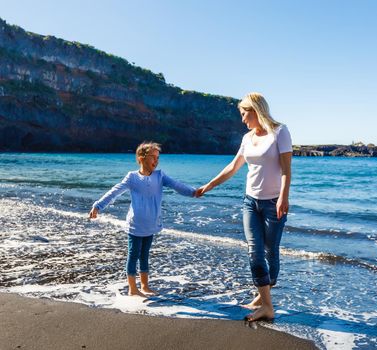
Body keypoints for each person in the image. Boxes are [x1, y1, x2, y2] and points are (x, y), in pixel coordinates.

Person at [196, 92, 292, 321]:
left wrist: (283, 197)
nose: (242, 119)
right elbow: (233, 167)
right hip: (250, 202)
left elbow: (287, 170)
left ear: (256, 110)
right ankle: (267, 305)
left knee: (271, 251)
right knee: (254, 251)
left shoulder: (280, 132)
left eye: (243, 113)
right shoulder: (247, 138)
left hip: (273, 203)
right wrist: (208, 185)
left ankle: (263, 297)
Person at [89, 142, 196, 297]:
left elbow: (177, 185)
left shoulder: (160, 176)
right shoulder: (132, 177)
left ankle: (145, 286)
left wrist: (194, 192)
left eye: (158, 157)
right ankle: (133, 289)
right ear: (141, 158)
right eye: (153, 157)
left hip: (151, 224)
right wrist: (98, 206)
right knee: (133, 255)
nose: (156, 160)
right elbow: (114, 192)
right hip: (135, 224)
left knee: (145, 255)